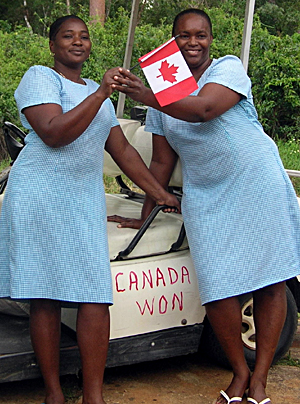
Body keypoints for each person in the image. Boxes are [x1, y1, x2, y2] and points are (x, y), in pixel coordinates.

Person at [108, 8, 300, 404]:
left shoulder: (228, 70)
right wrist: (144, 218)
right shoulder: (163, 87)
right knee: (216, 287)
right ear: (172, 41)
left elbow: (203, 110)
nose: (192, 42)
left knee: (270, 280)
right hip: (207, 193)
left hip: (255, 181)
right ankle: (239, 371)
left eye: (200, 35)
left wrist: (148, 96)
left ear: (211, 40)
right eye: (183, 36)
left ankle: (259, 379)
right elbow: (162, 162)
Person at [0, 15, 180, 404]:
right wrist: (99, 93)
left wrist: (159, 193)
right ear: (53, 46)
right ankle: (54, 393)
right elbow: (53, 132)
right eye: (68, 36)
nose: (78, 42)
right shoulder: (40, 78)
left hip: (82, 199)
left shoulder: (95, 94)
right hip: (40, 195)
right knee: (44, 296)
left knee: (95, 295)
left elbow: (125, 152)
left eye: (84, 37)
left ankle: (93, 396)